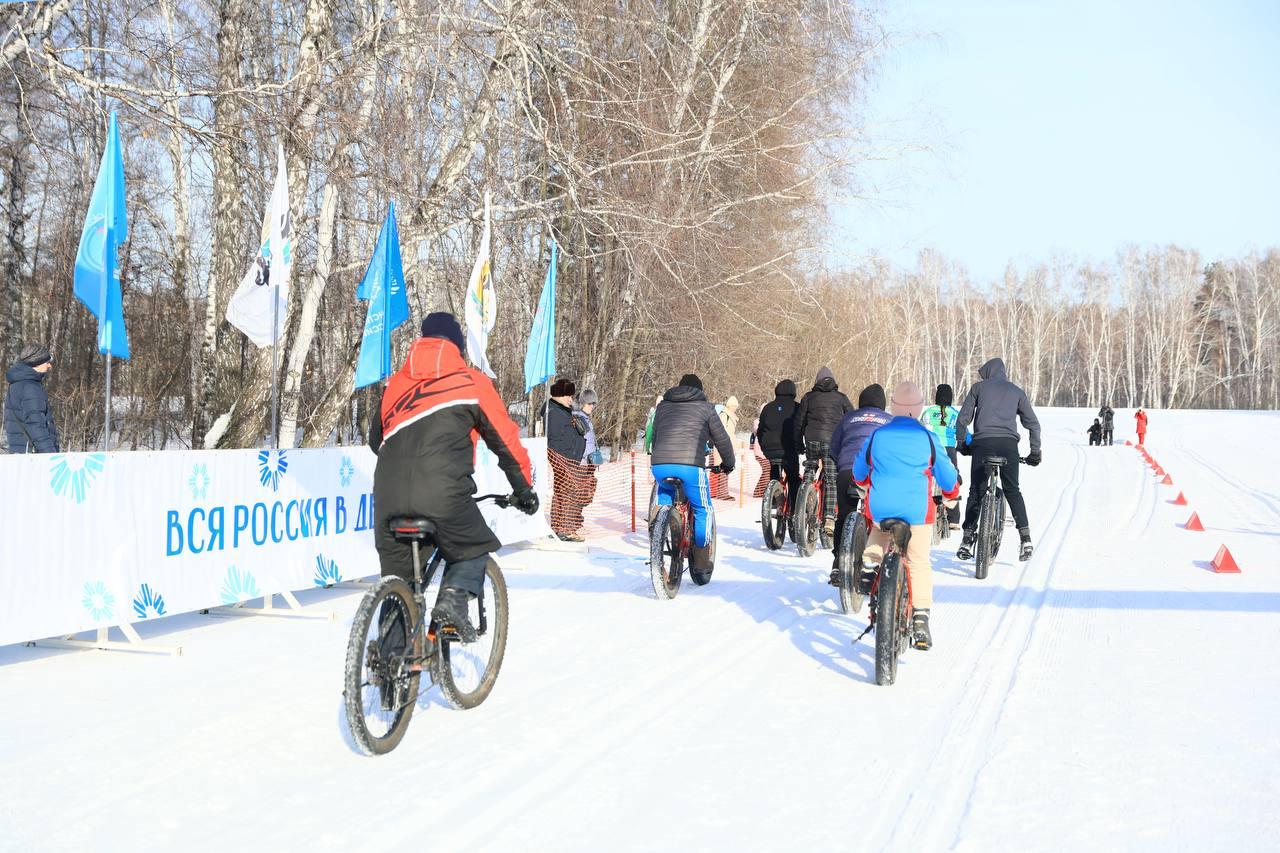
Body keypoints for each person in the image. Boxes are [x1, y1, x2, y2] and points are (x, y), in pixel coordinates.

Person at [369, 313, 539, 641]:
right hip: (443, 495)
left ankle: (391, 675)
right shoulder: (471, 382)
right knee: (473, 546)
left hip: (388, 498)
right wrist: (524, 488)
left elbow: (376, 440)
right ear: (457, 347)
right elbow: (505, 441)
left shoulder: (395, 384)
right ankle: (452, 603)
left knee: (398, 586)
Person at [853, 381, 960, 651]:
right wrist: (951, 495)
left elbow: (858, 471)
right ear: (919, 407)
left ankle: (869, 564)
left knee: (879, 528)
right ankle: (921, 618)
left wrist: (865, 482)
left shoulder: (877, 435)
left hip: (881, 508)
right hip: (916, 513)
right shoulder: (927, 437)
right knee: (918, 561)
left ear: (894, 406)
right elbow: (947, 478)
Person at [955, 358, 1042, 562]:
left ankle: (967, 539)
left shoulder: (978, 388)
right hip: (1008, 446)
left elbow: (962, 419)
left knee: (976, 490)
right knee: (1012, 490)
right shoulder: (1016, 391)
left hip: (982, 444)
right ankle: (1026, 539)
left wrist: (962, 444)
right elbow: (1034, 425)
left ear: (988, 373)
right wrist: (1035, 453)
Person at [650, 373, 736, 573]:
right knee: (702, 509)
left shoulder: (662, 407)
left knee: (665, 495)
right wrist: (728, 464)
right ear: (700, 391)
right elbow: (722, 440)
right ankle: (700, 559)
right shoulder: (706, 408)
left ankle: (658, 531)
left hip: (660, 464)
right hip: (690, 466)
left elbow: (655, 438)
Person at [827, 383, 892, 583]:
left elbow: (833, 449)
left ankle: (838, 563)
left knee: (843, 516)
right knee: (880, 518)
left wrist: (843, 466)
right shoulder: (889, 421)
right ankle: (873, 565)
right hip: (876, 474)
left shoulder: (848, 418)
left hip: (848, 469)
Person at [793, 367, 853, 536]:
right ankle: (829, 518)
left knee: (810, 470)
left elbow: (799, 423)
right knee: (831, 477)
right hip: (831, 443)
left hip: (812, 439)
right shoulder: (841, 399)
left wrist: (799, 444)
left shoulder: (809, 397)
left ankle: (805, 502)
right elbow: (852, 420)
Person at [546, 378, 589, 541]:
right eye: (568, 396)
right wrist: (567, 457)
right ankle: (565, 529)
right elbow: (557, 440)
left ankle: (558, 527)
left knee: (562, 493)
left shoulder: (561, 410)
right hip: (565, 460)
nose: (571, 399)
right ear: (559, 395)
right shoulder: (555, 413)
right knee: (569, 493)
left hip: (568, 458)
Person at [920, 383, 962, 529]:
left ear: (936, 397)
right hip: (949, 449)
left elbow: (920, 429)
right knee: (952, 478)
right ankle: (954, 519)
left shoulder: (928, 412)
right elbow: (965, 434)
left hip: (930, 448)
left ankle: (924, 509)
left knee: (925, 477)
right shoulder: (955, 414)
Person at [755, 379, 800, 515]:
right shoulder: (797, 407)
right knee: (793, 476)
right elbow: (801, 427)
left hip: (770, 449)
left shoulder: (768, 407)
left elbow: (760, 429)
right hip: (789, 448)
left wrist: (763, 446)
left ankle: (774, 497)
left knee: (774, 467)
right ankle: (794, 507)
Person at [4, 344, 59, 454]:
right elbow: (36, 425)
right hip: (34, 457)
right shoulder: (31, 387)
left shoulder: (17, 383)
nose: (49, 366)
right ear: (36, 363)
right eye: (46, 362)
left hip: (21, 452)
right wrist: (50, 455)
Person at [711, 395, 740, 500]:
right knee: (722, 469)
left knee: (721, 469)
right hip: (723, 444)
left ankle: (716, 492)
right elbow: (722, 431)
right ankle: (720, 493)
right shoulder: (725, 415)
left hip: (726, 444)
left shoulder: (729, 415)